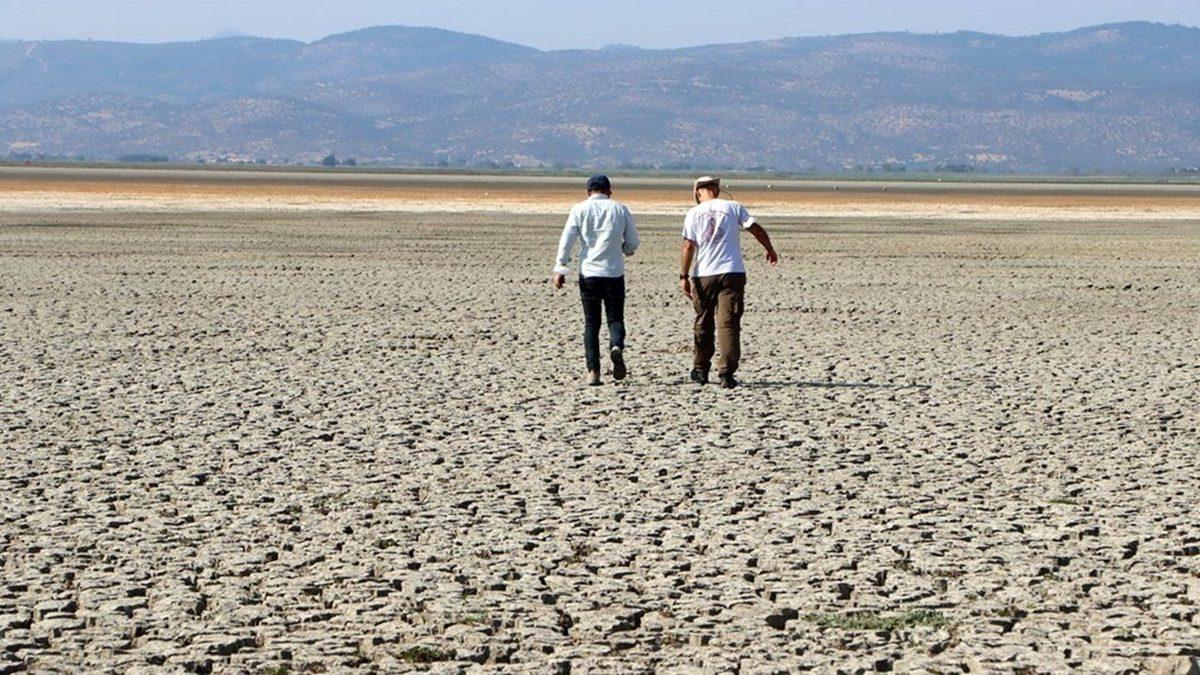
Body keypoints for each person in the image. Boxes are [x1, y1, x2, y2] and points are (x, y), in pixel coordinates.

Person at [679, 176, 779, 389]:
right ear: (716, 189)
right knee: (729, 323)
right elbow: (755, 228)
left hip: (704, 274)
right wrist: (769, 248)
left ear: (698, 192)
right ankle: (726, 373)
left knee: (703, 321)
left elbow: (688, 246)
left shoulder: (693, 213)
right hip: (732, 272)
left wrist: (684, 275)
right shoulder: (733, 206)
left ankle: (700, 369)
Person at [553, 175, 641, 386]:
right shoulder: (620, 209)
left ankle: (593, 372)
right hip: (613, 272)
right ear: (609, 190)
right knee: (615, 318)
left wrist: (560, 268)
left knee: (591, 323)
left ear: (588, 191)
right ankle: (616, 345)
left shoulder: (579, 209)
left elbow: (567, 240)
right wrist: (625, 250)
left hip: (589, 273)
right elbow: (633, 242)